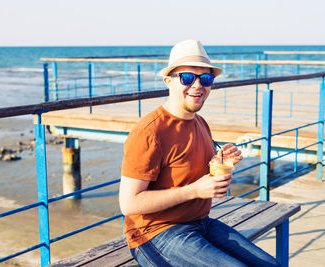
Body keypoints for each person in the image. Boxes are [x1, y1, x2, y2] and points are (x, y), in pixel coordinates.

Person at [119, 40, 280, 267]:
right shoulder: (149, 132)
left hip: (200, 222)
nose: (197, 85)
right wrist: (194, 190)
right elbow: (129, 204)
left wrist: (220, 161)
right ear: (168, 81)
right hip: (155, 233)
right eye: (187, 78)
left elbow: (194, 172)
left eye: (205, 79)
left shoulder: (200, 123)